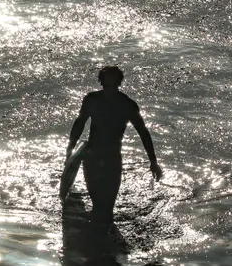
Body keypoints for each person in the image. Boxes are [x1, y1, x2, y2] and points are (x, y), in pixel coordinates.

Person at [64, 65, 162, 222]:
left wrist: (153, 161)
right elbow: (79, 123)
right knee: (97, 204)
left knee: (108, 207)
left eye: (112, 77)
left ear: (119, 81)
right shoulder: (91, 100)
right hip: (92, 154)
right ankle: (99, 235)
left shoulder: (127, 105)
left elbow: (143, 132)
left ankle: (104, 234)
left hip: (112, 156)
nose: (109, 80)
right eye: (107, 76)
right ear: (101, 80)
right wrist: (70, 148)